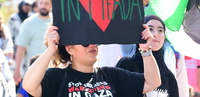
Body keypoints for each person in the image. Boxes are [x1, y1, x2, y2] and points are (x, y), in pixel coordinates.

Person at [22, 23, 161, 97]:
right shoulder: (58, 77)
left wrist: (145, 50)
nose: (93, 45)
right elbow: (29, 86)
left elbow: (153, 82)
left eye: (94, 41)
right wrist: (51, 50)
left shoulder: (111, 75)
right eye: (85, 43)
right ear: (69, 49)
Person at [116, 15, 179, 97]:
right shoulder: (126, 64)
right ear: (140, 34)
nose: (155, 34)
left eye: (160, 30)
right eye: (150, 29)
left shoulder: (169, 76)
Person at [13, 0, 52, 86]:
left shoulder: (57, 21)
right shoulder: (28, 23)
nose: (43, 6)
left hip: (54, 69)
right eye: (41, 3)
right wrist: (17, 70)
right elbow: (21, 47)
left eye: (46, 3)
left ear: (51, 5)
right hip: (34, 70)